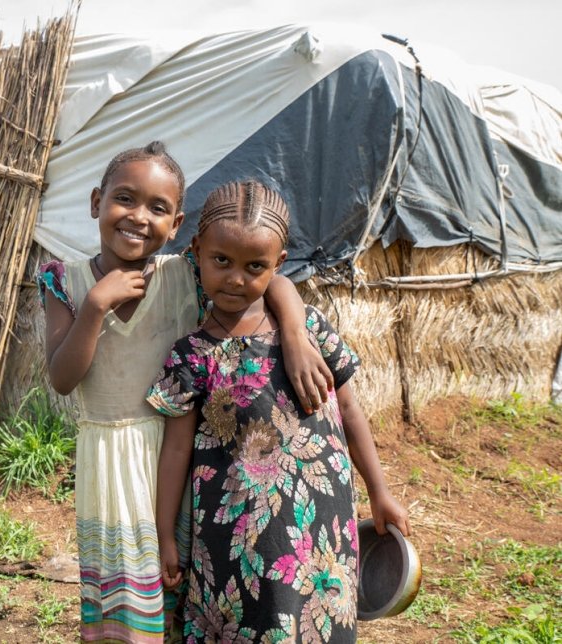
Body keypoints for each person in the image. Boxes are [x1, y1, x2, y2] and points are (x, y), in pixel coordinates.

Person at [37, 143, 334, 643]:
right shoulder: (64, 281)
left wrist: (296, 334)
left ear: (177, 226)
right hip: (113, 463)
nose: (137, 216)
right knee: (128, 602)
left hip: (186, 459)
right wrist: (94, 306)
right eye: (124, 199)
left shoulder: (187, 273)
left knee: (187, 585)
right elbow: (63, 378)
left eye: (157, 208)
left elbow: (271, 279)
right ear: (95, 202)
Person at [147, 180, 410, 643]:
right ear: (196, 250)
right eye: (221, 261)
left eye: (255, 267)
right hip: (238, 531)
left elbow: (348, 408)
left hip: (322, 518)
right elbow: (176, 451)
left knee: (315, 623)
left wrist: (379, 490)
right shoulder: (192, 354)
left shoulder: (307, 328)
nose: (235, 278)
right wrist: (166, 534)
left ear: (279, 264)